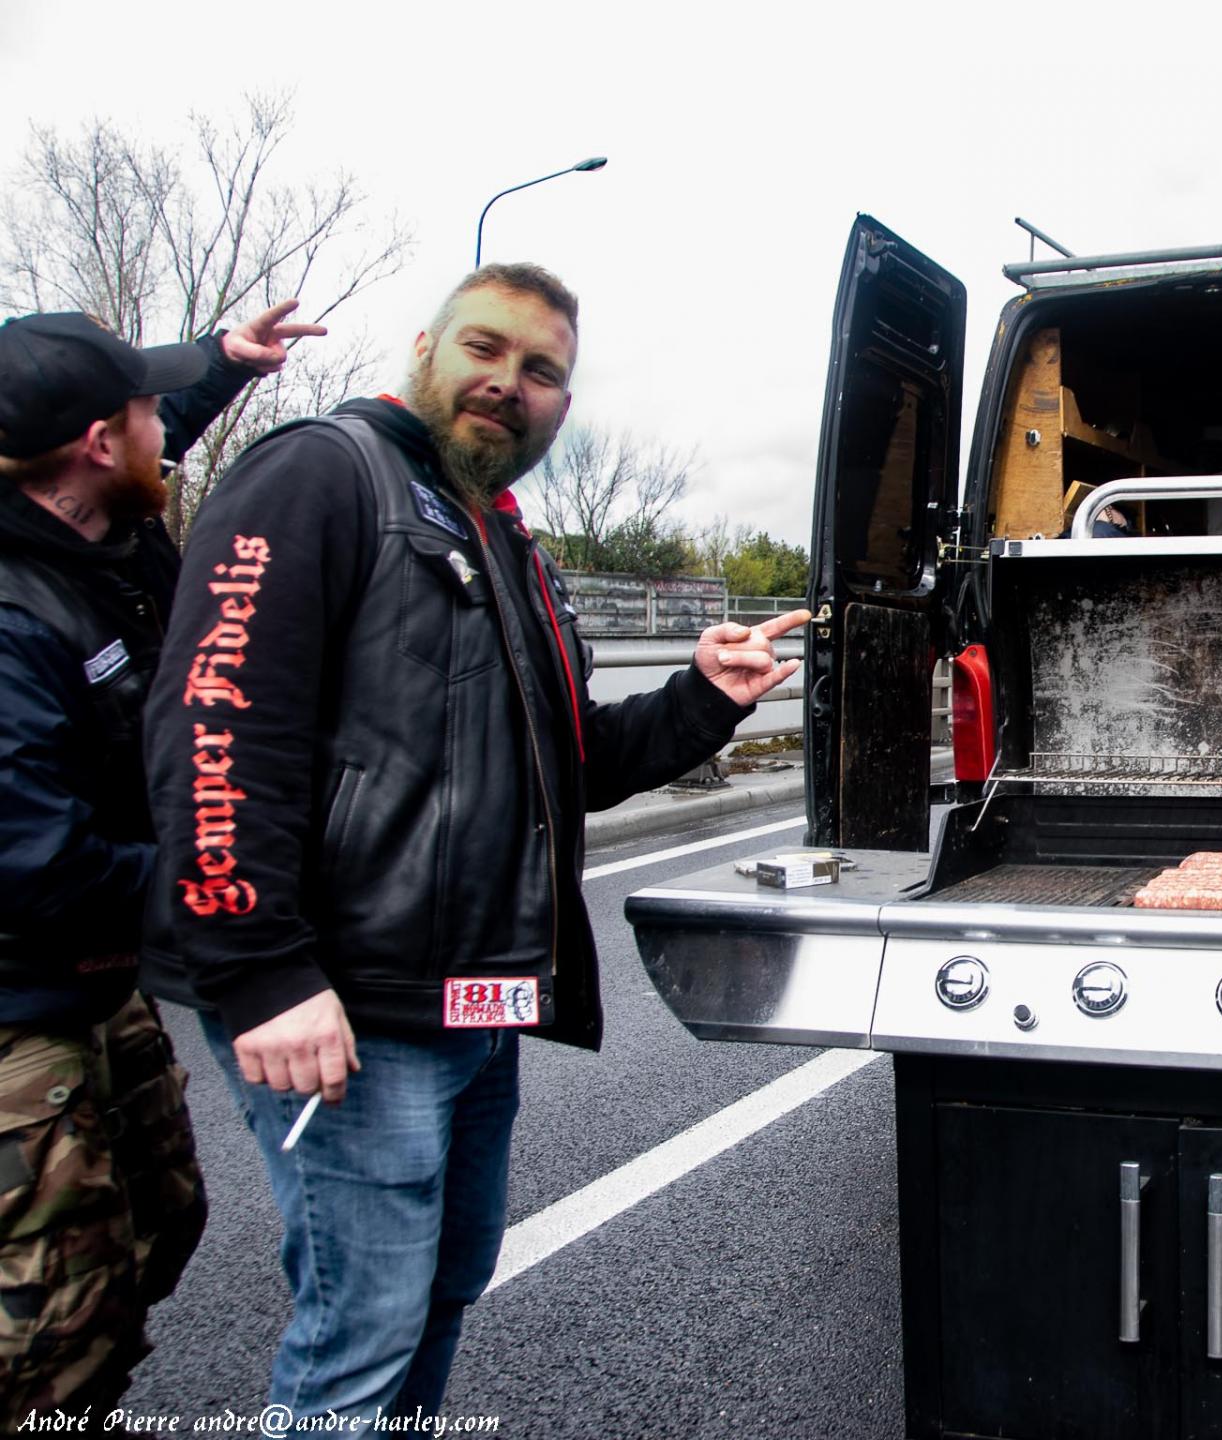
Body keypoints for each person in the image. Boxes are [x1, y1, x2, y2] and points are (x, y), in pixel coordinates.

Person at [141, 263, 806, 1422]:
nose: (509, 384)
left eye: (542, 371)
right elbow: (214, 728)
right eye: (484, 350)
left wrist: (704, 697)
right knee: (362, 1329)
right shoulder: (320, 475)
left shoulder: (502, 534)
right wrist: (262, 971)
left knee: (445, 1291)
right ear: (423, 349)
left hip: (471, 1003)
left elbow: (567, 764)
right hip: (350, 1009)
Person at [0, 301, 325, 1422]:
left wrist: (223, 365)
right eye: (145, 411)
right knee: (54, 1321)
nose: (163, 431)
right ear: (98, 442)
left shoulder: (101, 526)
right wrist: (234, 891)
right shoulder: (11, 612)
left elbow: (160, 423)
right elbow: (33, 861)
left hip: (100, 976)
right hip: (20, 998)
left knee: (163, 1219)